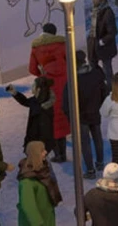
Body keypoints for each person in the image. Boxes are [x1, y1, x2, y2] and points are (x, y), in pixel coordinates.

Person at [28, 24, 72, 160]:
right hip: (65, 81)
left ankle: (58, 153)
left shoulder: (36, 48)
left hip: (48, 83)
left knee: (51, 118)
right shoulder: (62, 44)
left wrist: (41, 74)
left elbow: (32, 69)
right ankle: (63, 151)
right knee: (62, 115)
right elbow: (71, 60)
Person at [75, 51, 109, 179]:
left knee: (85, 142)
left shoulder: (75, 79)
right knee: (97, 137)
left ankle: (90, 170)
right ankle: (100, 163)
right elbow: (104, 90)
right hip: (94, 111)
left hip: (82, 114)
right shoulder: (95, 74)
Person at [16, 140, 63, 226]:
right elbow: (28, 205)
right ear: (36, 154)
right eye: (42, 151)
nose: (45, 152)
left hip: (47, 219)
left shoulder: (43, 171)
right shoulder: (27, 181)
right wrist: (38, 223)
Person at [90, 0, 118, 80]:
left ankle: (110, 89)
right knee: (93, 67)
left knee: (107, 70)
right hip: (93, 44)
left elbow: (113, 31)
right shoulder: (96, 9)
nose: (93, 0)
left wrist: (102, 41)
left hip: (104, 46)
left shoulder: (108, 13)